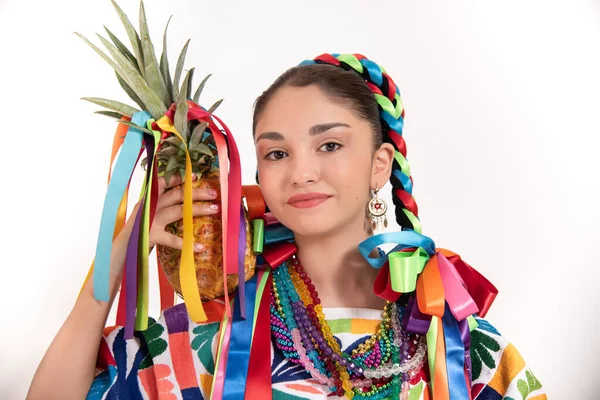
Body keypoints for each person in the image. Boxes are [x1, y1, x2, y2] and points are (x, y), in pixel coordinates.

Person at [27, 54, 546, 400]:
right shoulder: (215, 332)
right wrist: (115, 260)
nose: (301, 172)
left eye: (330, 145)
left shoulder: (454, 339)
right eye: (277, 152)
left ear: (380, 165)